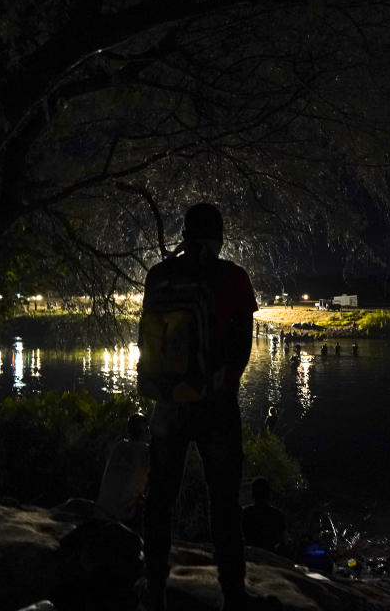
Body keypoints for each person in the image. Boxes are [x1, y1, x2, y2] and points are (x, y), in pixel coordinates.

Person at [141, 203, 277, 611]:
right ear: (219, 236)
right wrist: (221, 383)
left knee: (160, 497)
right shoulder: (232, 277)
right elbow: (241, 347)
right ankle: (233, 594)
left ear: (185, 233)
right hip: (215, 403)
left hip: (167, 402)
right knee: (224, 501)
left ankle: (153, 589)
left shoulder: (159, 275)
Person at [96, 413, 150, 531]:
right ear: (144, 431)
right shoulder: (145, 451)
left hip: (102, 510)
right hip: (124, 516)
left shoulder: (118, 446)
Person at [241, 477, 286, 554]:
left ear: (252, 494)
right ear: (268, 494)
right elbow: (281, 540)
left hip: (249, 554)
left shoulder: (245, 513)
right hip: (269, 556)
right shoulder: (277, 515)